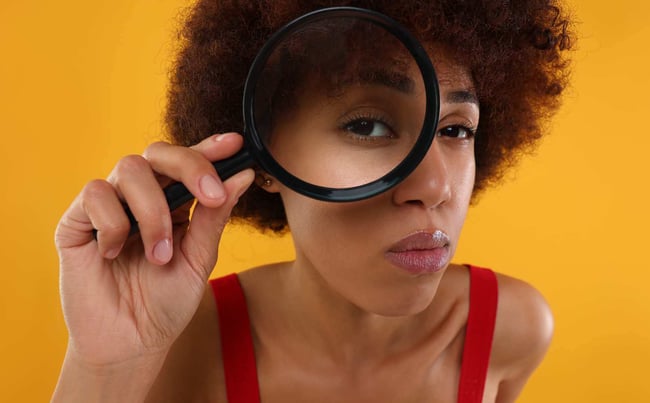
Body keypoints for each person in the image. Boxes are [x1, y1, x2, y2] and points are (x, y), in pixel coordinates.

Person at [51, 1, 574, 402]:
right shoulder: (177, 347)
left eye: (457, 130)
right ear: (267, 157)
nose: (436, 186)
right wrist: (105, 370)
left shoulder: (512, 328)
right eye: (367, 125)